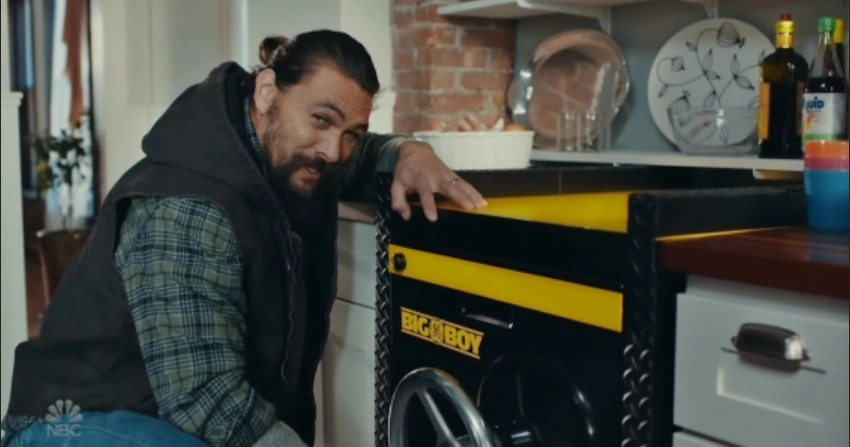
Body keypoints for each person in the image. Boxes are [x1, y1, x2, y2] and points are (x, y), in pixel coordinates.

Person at [0, 30, 486, 447]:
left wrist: (408, 152)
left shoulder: (286, 154)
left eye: (352, 133)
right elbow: (205, 402)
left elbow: (359, 155)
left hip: (162, 416)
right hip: (75, 426)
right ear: (267, 91)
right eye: (321, 119)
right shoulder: (186, 204)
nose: (333, 150)